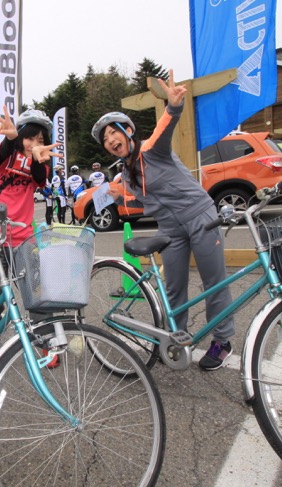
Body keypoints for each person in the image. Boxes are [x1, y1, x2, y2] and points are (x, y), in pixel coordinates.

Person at [91, 70, 235, 371]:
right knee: (174, 288)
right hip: (169, 228)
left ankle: (222, 341)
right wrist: (93, 199)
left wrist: (173, 105)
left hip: (200, 216)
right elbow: (121, 197)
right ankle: (176, 337)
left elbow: (163, 127)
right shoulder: (126, 174)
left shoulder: (151, 149)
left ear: (127, 130)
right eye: (105, 140)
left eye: (113, 133)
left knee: (214, 283)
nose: (110, 140)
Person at [0, 106, 59, 363]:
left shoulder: (41, 166)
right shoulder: (3, 159)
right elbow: (4, 151)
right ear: (21, 136)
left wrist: (37, 157)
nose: (34, 143)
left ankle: (46, 344)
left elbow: (39, 180)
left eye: (41, 140)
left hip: (23, 239)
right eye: (30, 137)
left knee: (37, 294)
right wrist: (11, 138)